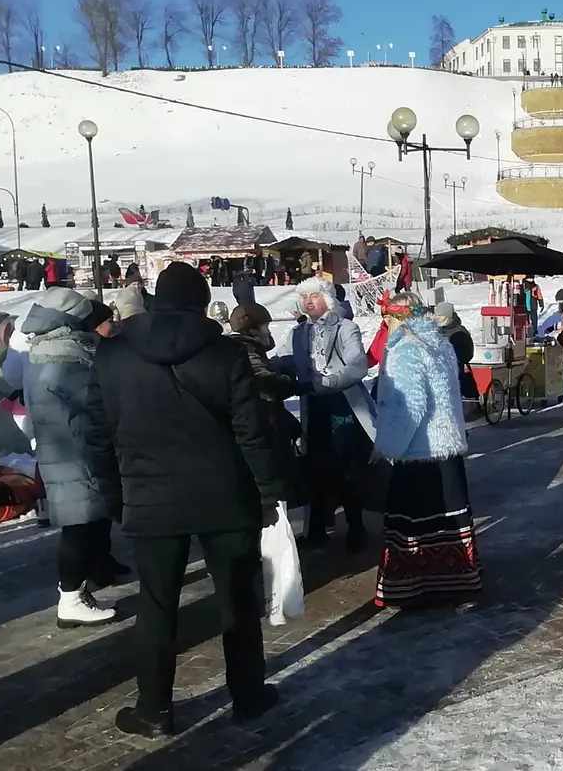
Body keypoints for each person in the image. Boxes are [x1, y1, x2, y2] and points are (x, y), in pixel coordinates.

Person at [85, 262, 286, 737]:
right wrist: (268, 492)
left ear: (156, 299)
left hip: (149, 495)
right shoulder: (224, 352)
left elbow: (97, 436)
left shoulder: (113, 354)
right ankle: (249, 695)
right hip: (223, 494)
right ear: (201, 303)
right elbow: (251, 432)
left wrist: (116, 499)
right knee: (236, 599)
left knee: (157, 606)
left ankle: (154, 710)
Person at [2, 288, 125, 626]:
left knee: (85, 521)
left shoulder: (44, 347)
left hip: (65, 446)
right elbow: (89, 398)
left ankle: (85, 585)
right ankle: (70, 597)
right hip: (74, 447)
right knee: (78, 525)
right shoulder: (64, 353)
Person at [373, 291, 481, 607]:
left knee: (412, 523)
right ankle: (455, 582)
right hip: (446, 449)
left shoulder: (406, 351)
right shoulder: (440, 344)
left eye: (388, 318)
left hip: (418, 453)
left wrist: (386, 447)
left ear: (397, 319)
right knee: (447, 519)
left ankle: (413, 587)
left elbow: (411, 408)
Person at [274, 277, 374, 551]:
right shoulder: (297, 332)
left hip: (341, 406)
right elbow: (284, 360)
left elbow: (357, 366)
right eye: (305, 296)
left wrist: (326, 382)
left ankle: (356, 527)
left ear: (328, 298)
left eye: (315, 295)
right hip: (312, 406)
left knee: (345, 467)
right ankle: (316, 529)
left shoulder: (345, 327)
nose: (309, 301)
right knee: (315, 468)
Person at [230, 303, 305, 497]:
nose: (268, 331)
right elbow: (265, 382)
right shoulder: (245, 348)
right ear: (253, 328)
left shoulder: (249, 347)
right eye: (265, 326)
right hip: (261, 425)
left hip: (263, 420)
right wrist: (290, 380)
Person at [434, 301, 478, 400]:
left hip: (455, 370)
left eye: (440, 316)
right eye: (436, 315)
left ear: (448, 317)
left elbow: (467, 353)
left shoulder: (460, 332)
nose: (437, 318)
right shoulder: (435, 330)